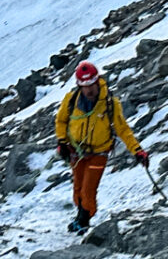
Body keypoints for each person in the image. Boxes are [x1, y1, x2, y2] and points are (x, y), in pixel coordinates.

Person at [54, 61, 147, 234]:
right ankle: (80, 216)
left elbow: (122, 129)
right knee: (78, 188)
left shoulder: (110, 103)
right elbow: (61, 121)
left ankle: (84, 221)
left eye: (91, 85)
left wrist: (137, 150)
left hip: (99, 152)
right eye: (85, 86)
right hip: (76, 151)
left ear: (97, 81)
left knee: (89, 188)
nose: (89, 90)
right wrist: (62, 142)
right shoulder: (71, 100)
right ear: (79, 85)